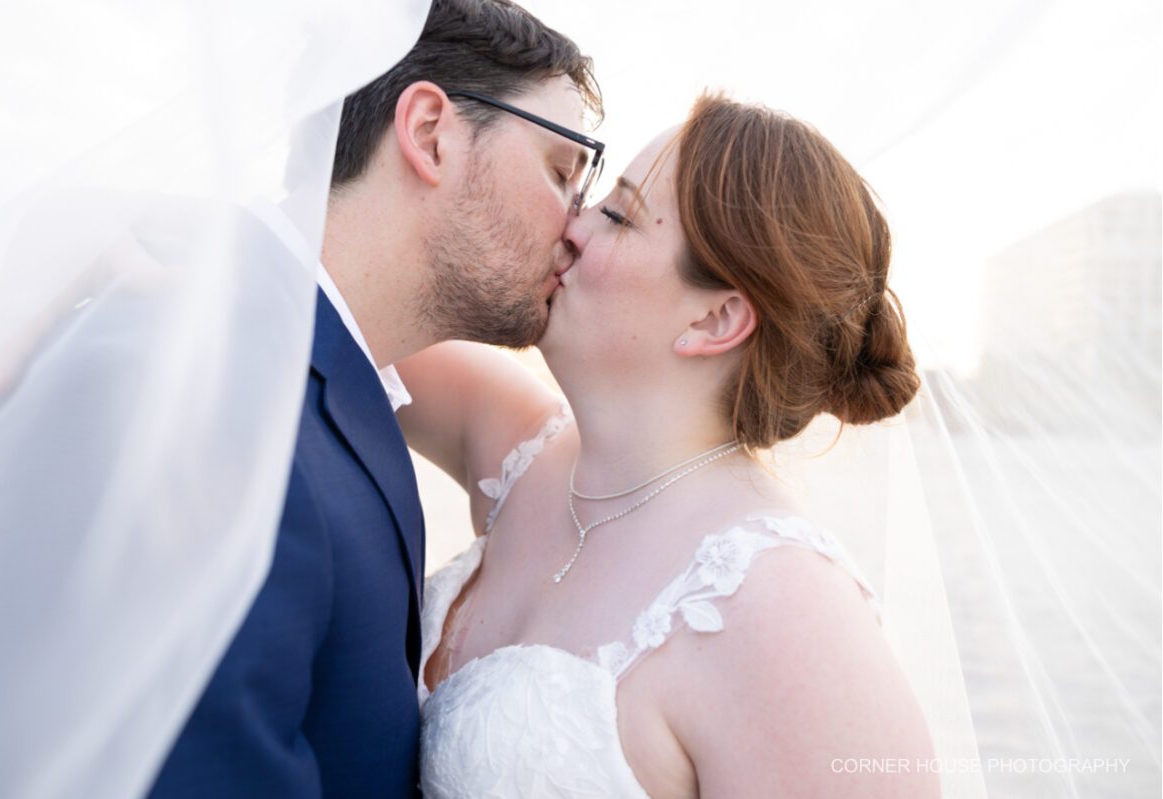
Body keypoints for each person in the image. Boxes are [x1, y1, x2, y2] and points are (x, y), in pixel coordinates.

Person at [398, 93, 941, 797]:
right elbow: (343, 292)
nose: (571, 226)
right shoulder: (519, 447)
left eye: (617, 216)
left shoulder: (781, 606)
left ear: (715, 318)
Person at [148, 1, 603, 796]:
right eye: (562, 171)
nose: (576, 227)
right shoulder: (232, 409)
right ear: (430, 132)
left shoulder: (341, 383)